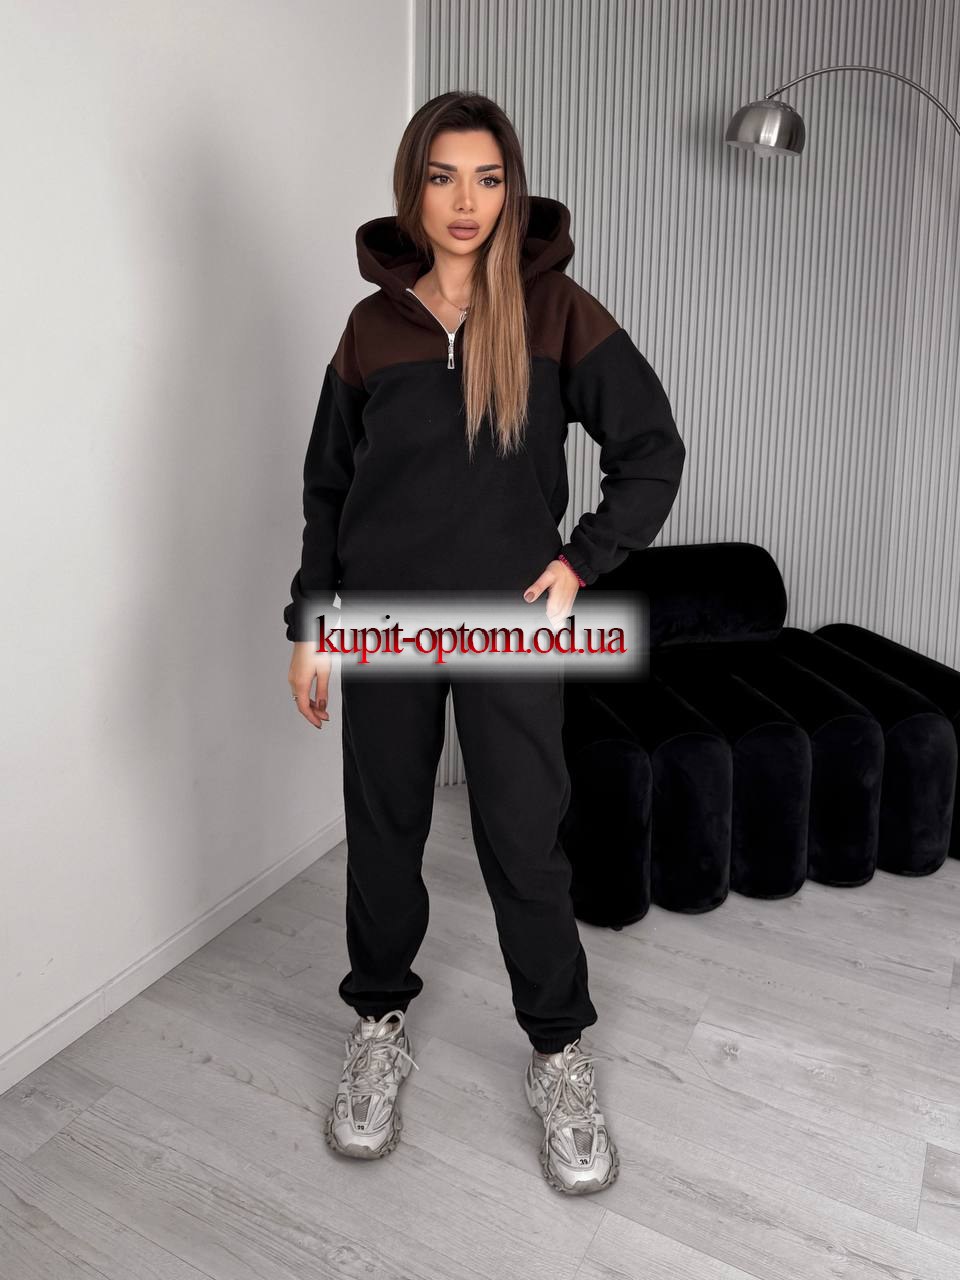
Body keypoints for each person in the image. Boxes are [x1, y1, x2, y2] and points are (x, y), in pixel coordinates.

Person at [284, 91, 685, 1196]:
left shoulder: (555, 311)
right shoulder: (371, 328)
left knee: (523, 837)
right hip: (384, 622)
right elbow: (327, 492)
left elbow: (651, 448)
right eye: (443, 176)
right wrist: (312, 626)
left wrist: (581, 562)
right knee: (385, 832)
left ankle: (558, 1052)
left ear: (512, 189)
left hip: (511, 623)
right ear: (413, 187)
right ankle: (378, 1026)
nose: (466, 201)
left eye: (488, 177)